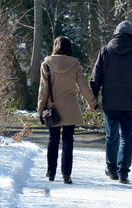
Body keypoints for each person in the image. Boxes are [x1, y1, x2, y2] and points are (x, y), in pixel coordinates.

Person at [90, 21, 132, 184]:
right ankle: (124, 173)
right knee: (127, 136)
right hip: (131, 101)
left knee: (111, 135)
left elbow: (95, 78)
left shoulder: (105, 51)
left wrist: (92, 99)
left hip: (110, 102)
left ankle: (112, 170)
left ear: (116, 34)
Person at [37, 36, 97, 184]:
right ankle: (66, 175)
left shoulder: (46, 64)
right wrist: (93, 102)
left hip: (53, 108)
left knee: (53, 140)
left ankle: (51, 173)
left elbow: (43, 90)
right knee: (68, 141)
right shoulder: (75, 64)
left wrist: (40, 109)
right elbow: (83, 86)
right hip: (70, 108)